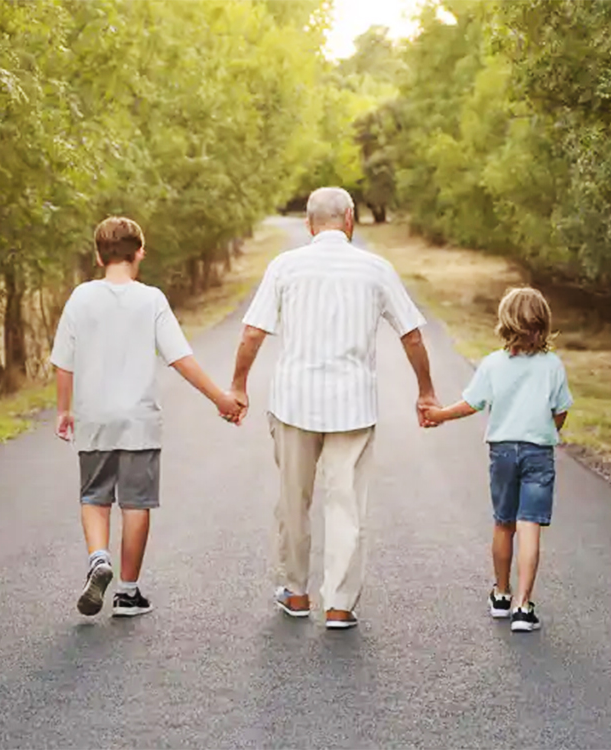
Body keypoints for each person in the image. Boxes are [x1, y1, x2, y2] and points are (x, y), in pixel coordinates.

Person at [228, 187, 438, 630]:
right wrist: (426, 391)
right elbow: (412, 335)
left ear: (308, 224)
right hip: (353, 406)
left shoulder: (285, 266)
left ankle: (297, 592)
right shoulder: (375, 269)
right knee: (347, 505)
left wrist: (238, 385)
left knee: (293, 500)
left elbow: (252, 333)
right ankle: (339, 604)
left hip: (293, 402)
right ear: (350, 220)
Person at [51, 216, 241, 618]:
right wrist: (219, 398)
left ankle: (99, 558)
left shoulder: (80, 298)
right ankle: (127, 592)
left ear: (99, 255)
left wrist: (64, 409)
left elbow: (63, 363)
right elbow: (179, 358)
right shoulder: (151, 299)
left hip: (94, 418)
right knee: (136, 503)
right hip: (139, 421)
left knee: (94, 497)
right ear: (140, 252)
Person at [421, 286, 572, 633]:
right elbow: (560, 411)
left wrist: (439, 414)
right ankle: (523, 606)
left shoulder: (492, 364)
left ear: (505, 323)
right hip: (538, 452)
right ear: (543, 324)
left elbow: (471, 404)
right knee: (529, 523)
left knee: (504, 522)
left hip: (502, 451)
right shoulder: (552, 366)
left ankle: (501, 595)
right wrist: (547, 429)